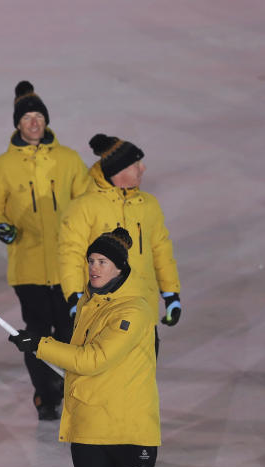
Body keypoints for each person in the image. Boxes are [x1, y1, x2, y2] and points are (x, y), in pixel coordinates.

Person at [9, 228, 160, 467]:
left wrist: (40, 344)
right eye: (91, 261)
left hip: (131, 430)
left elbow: (93, 359)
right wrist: (42, 342)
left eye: (102, 262)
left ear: (119, 268)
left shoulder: (134, 309)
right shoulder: (91, 303)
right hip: (90, 428)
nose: (93, 268)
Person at [0, 81, 91, 420]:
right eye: (27, 117)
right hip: (28, 269)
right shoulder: (2, 167)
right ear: (17, 123)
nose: (34, 122)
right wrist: (1, 227)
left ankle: (73, 393)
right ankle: (45, 394)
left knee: (71, 335)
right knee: (38, 335)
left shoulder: (69, 160)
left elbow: (88, 202)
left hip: (69, 268)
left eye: (39, 116)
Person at [58, 134, 181, 355]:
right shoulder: (84, 207)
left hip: (143, 310)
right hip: (102, 313)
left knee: (142, 378)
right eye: (136, 164)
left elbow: (161, 251)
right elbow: (71, 255)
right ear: (118, 171)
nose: (142, 168)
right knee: (104, 379)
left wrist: (171, 293)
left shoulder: (148, 205)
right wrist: (75, 297)